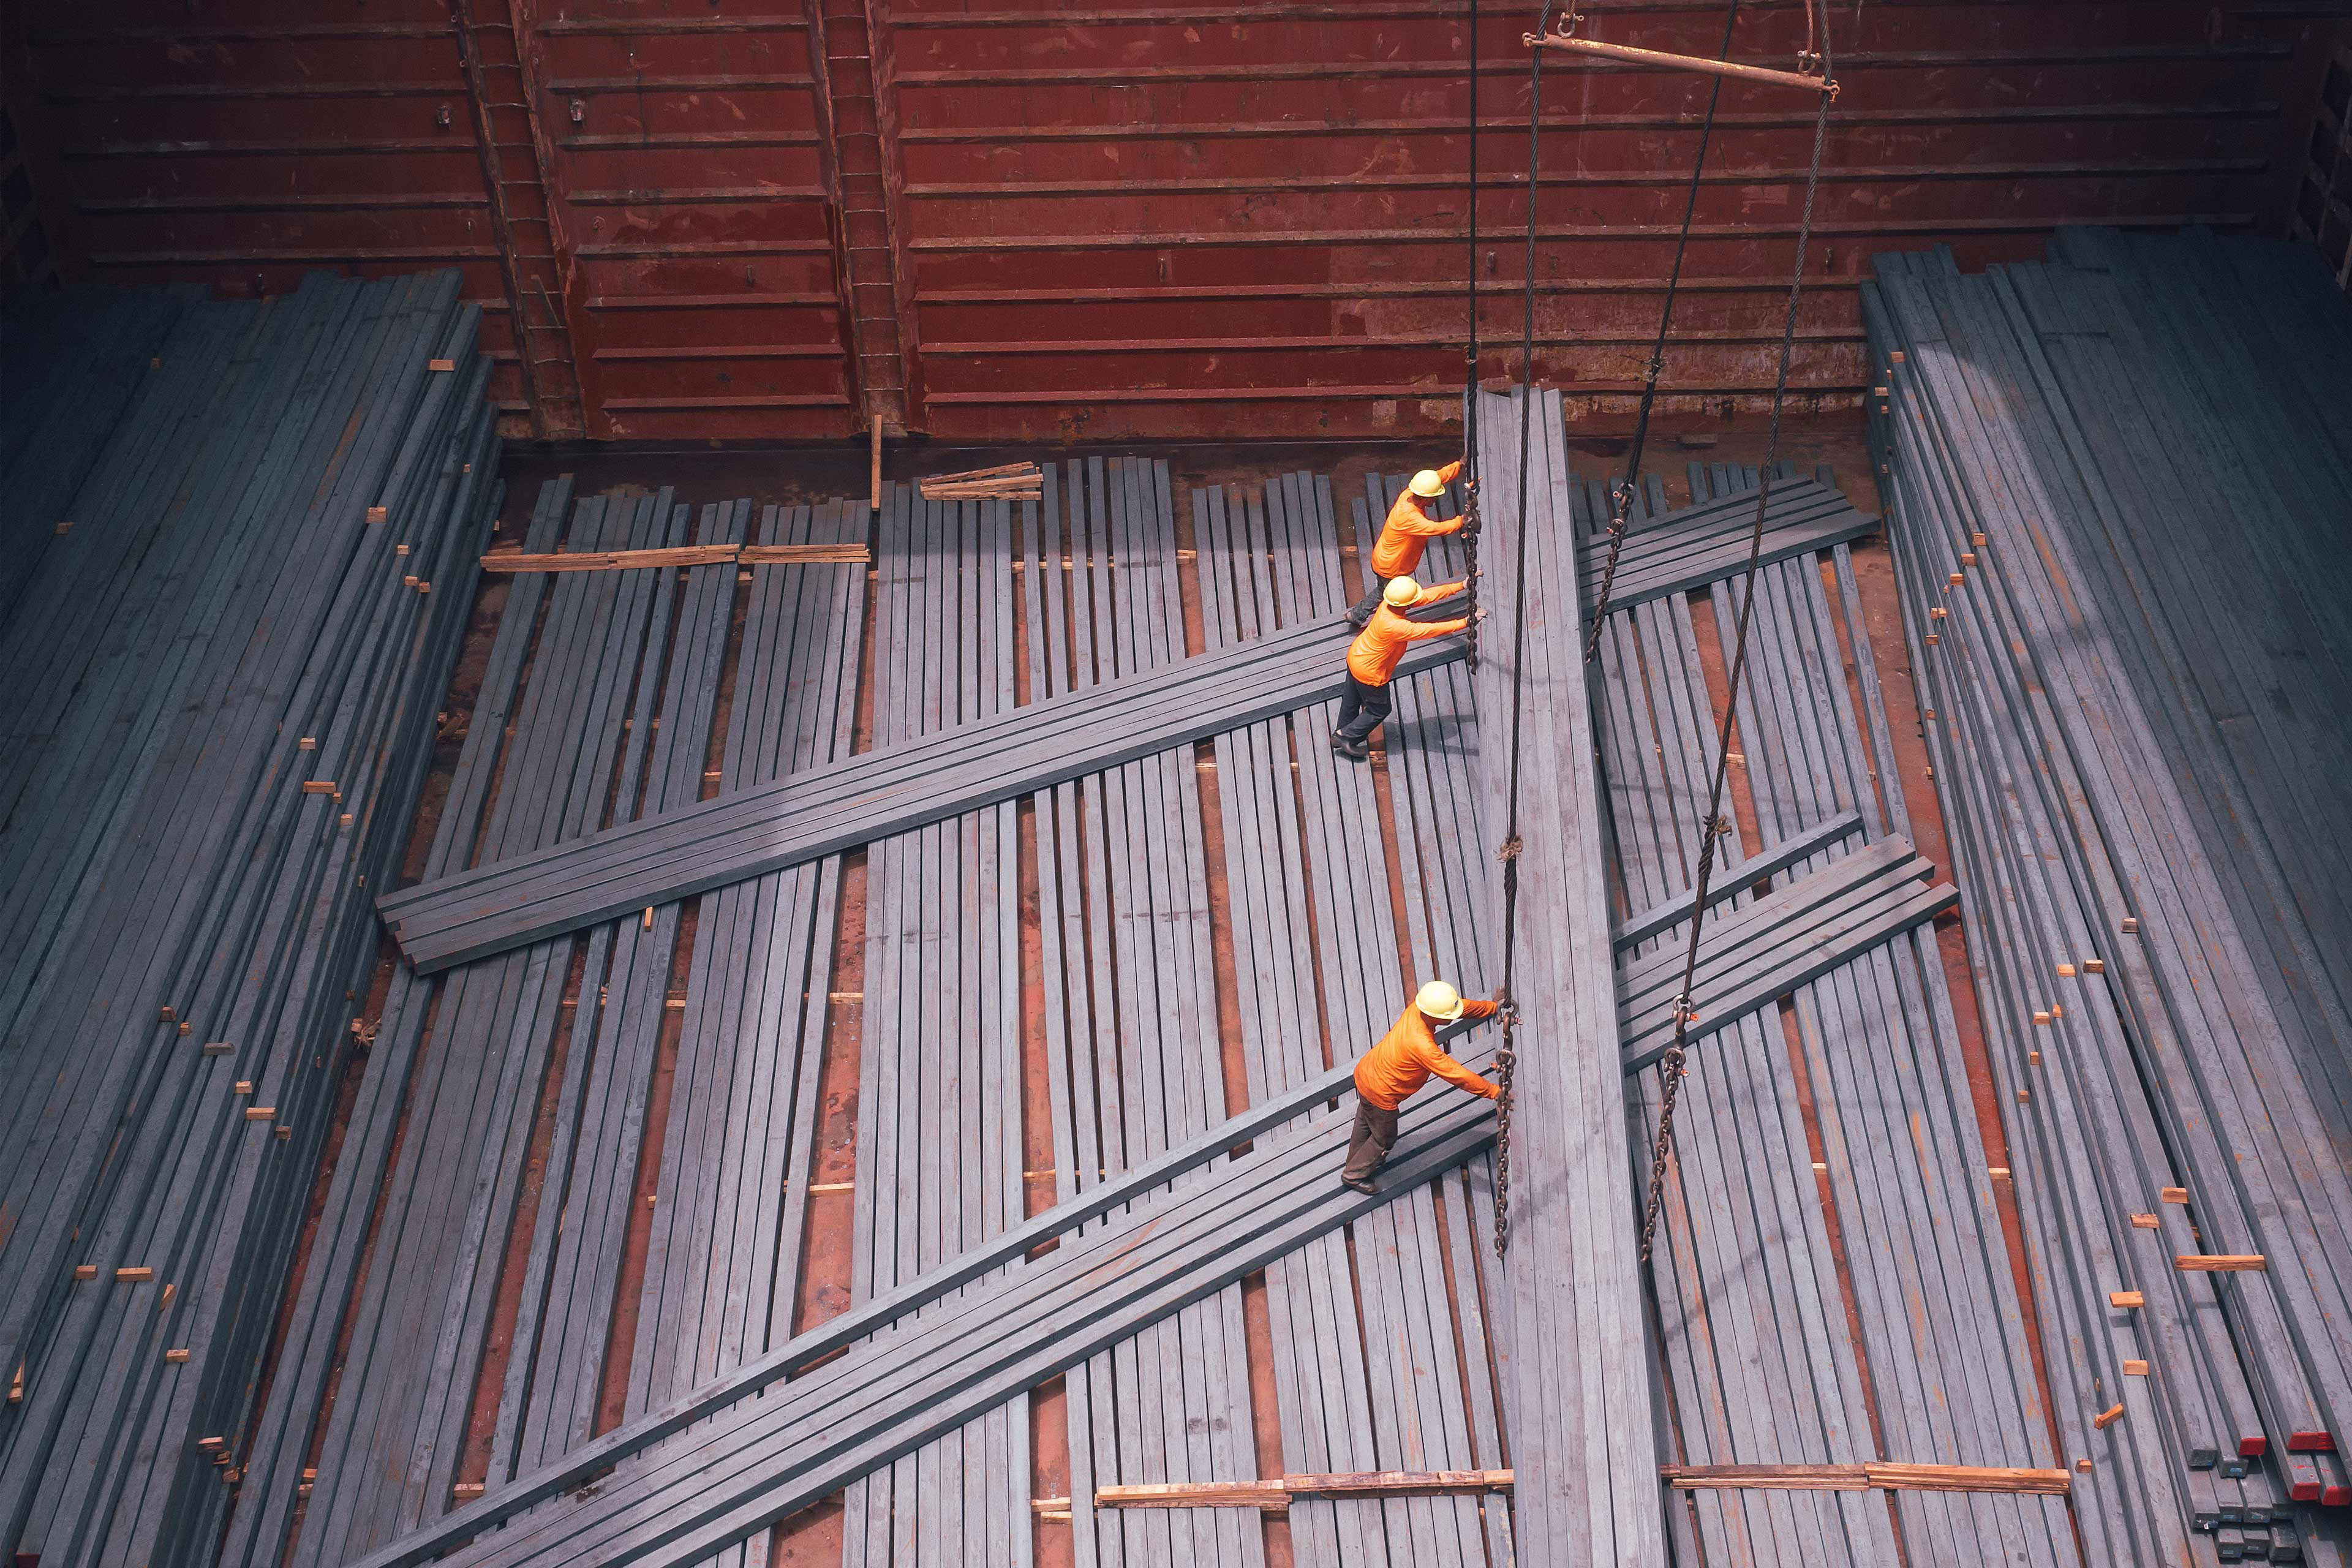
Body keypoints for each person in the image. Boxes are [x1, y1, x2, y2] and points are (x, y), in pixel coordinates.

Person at [1342, 980, 1500, 1194]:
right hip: (1382, 1093)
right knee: (1385, 1138)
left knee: (1366, 1120)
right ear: (1434, 1016)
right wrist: (1494, 1092)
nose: (1452, 1017)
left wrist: (1492, 1007)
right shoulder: (1422, 1045)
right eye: (1447, 1017)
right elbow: (1457, 1074)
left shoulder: (1419, 1007)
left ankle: (1356, 1159)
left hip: (1367, 1073)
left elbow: (1458, 1007)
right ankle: (1354, 1175)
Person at [1333, 576, 1476, 760]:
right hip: (1370, 671)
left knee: (1352, 699)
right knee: (1380, 709)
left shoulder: (1387, 605)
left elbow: (1424, 596)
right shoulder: (1395, 626)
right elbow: (1427, 630)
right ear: (1404, 603)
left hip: (1357, 656)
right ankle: (1345, 736)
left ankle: (1342, 732)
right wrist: (1465, 623)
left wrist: (1460, 586)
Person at [1349, 462, 1468, 628]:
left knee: (1384, 592)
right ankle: (1361, 616)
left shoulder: (1410, 494)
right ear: (1426, 497)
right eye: (1434, 496)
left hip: (1386, 558)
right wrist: (1461, 520)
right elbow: (1435, 529)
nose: (1436, 498)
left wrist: (1459, 465)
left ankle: (1359, 615)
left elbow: (1437, 477)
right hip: (1391, 567)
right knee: (1386, 593)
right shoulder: (1409, 517)